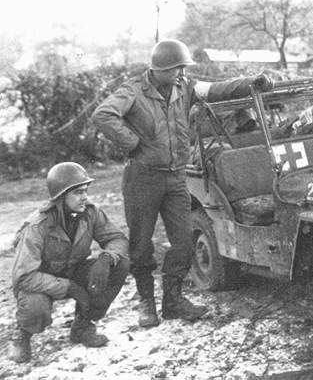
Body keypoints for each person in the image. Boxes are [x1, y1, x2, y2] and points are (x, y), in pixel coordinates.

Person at [91, 39, 274, 328]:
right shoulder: (133, 91)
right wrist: (133, 142)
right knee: (140, 246)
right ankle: (146, 303)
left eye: (183, 68)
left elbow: (216, 90)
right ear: (159, 69)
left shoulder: (184, 87)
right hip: (143, 178)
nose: (181, 73)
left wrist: (251, 82)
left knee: (185, 241)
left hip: (176, 178)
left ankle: (173, 301)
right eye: (176, 68)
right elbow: (103, 114)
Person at [9, 162, 129, 363]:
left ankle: (82, 326)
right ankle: (22, 335)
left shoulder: (90, 212)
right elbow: (24, 277)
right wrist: (70, 288)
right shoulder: (37, 226)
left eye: (86, 191)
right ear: (60, 196)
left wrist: (106, 258)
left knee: (120, 265)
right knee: (35, 306)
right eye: (78, 193)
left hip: (73, 269)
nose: (85, 197)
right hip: (39, 280)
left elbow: (117, 239)